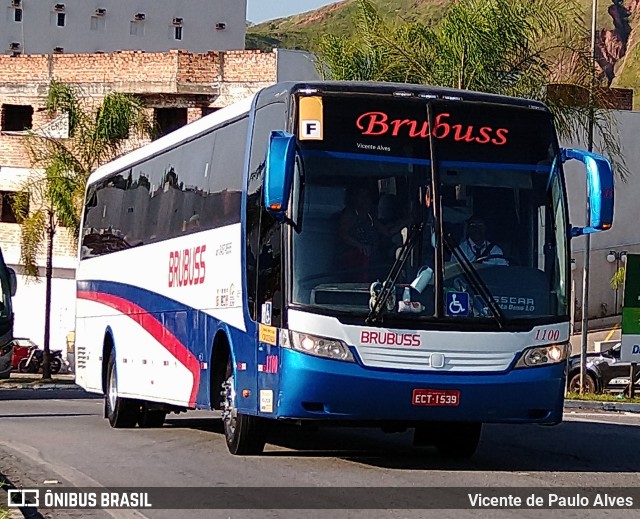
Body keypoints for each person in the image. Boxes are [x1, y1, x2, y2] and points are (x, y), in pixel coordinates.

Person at [336, 186, 407, 281]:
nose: (365, 200)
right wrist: (360, 246)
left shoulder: (370, 216)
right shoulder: (349, 215)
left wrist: (406, 222)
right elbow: (342, 233)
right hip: (355, 263)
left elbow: (387, 232)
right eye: (361, 196)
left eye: (367, 196)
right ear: (353, 198)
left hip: (372, 260)